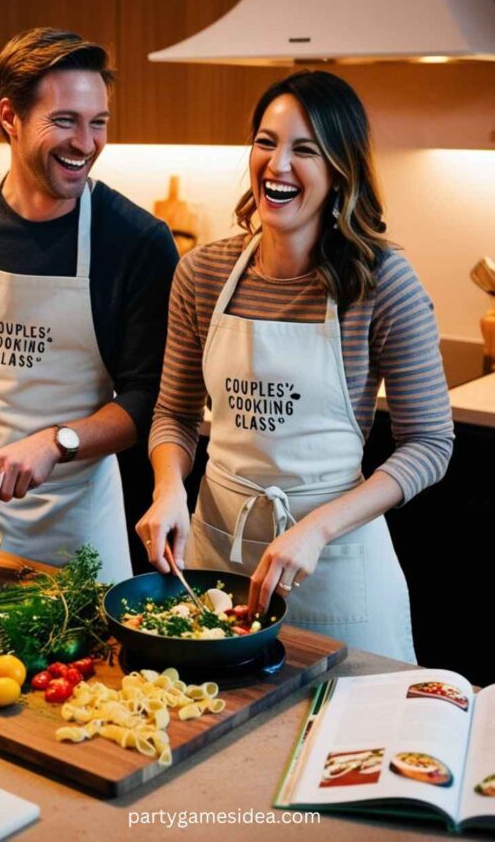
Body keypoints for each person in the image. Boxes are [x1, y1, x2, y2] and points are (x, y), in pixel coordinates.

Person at [136, 70, 454, 661]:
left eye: (304, 150)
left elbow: (430, 443)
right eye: (266, 141)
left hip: (334, 562)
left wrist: (317, 528)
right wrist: (168, 488)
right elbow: (173, 414)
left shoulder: (382, 283)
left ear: (340, 171)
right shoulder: (201, 274)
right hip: (215, 561)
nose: (277, 164)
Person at [0, 28, 178, 581]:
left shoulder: (136, 241)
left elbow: (148, 398)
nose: (86, 143)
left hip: (75, 525)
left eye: (99, 123)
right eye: (64, 120)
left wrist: (56, 441)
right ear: (9, 116)